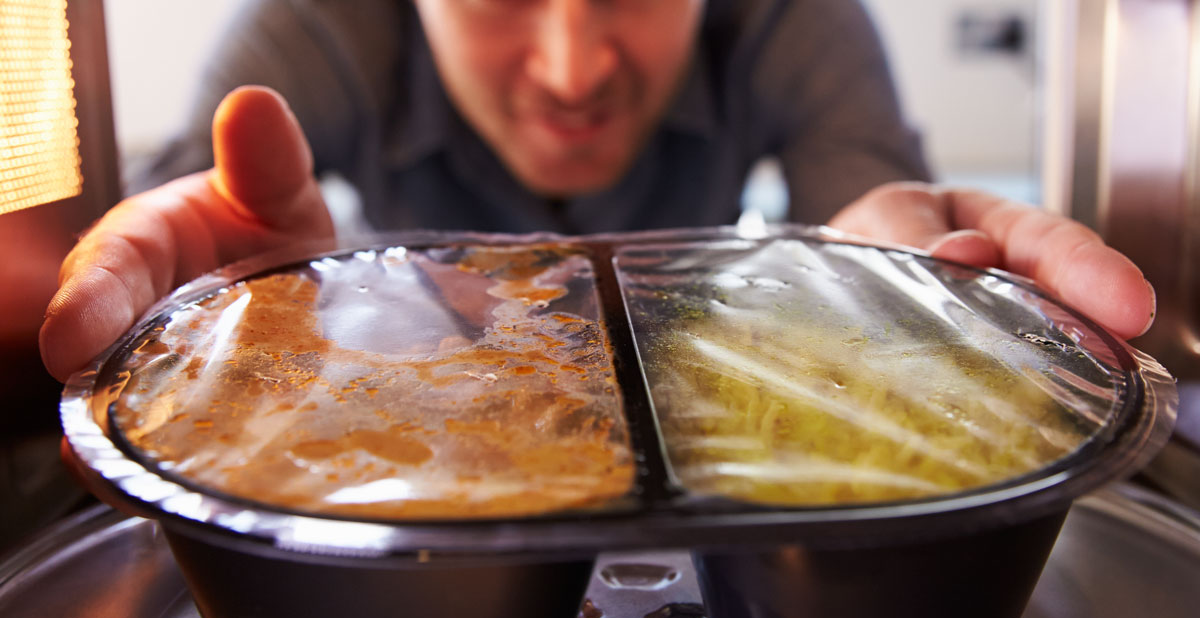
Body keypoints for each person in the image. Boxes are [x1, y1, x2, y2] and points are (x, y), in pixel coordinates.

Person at [33, 0, 1155, 384]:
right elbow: (185, 213)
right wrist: (209, 313)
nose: (572, 70)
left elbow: (872, 207)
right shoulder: (310, 31)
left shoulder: (791, 21)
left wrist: (887, 274)